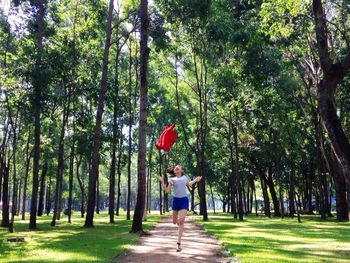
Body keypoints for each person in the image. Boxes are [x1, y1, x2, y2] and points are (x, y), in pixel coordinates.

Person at [157, 165, 202, 252]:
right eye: (175, 168)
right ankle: (178, 224)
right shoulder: (172, 180)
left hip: (184, 200)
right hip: (176, 201)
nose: (176, 168)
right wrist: (162, 181)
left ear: (181, 170)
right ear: (174, 171)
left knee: (181, 221)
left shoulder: (185, 177)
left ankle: (178, 244)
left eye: (178, 167)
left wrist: (196, 180)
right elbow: (166, 191)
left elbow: (189, 184)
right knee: (174, 222)